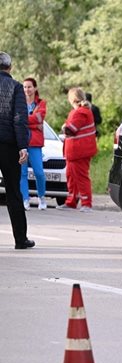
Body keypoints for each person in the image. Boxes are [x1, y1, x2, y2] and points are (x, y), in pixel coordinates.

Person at [0, 52, 34, 249]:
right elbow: (20, 119)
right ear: (9, 68)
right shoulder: (15, 87)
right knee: (13, 192)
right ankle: (20, 239)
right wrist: (23, 146)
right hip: (8, 146)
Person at [58, 87, 97, 212]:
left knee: (81, 177)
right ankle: (71, 201)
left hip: (79, 151)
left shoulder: (81, 112)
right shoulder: (80, 111)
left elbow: (71, 129)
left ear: (72, 99)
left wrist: (64, 127)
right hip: (74, 151)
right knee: (71, 176)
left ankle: (86, 203)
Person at [21, 77, 48, 210]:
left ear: (35, 88)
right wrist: (34, 124)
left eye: (29, 87)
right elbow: (17, 119)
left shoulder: (41, 103)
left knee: (39, 172)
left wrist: (24, 121)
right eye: (25, 87)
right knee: (23, 173)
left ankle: (41, 197)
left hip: (35, 143)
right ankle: (25, 199)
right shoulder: (19, 102)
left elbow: (39, 117)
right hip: (21, 142)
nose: (27, 90)